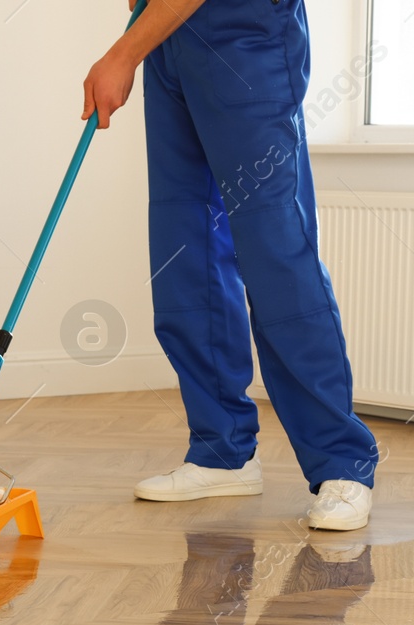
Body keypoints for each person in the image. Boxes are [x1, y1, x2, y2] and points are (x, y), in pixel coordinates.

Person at [83, 0, 378, 531]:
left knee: (275, 254)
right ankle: (222, 451)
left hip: (247, 38)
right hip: (170, 41)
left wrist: (123, 53)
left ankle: (342, 463)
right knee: (185, 249)